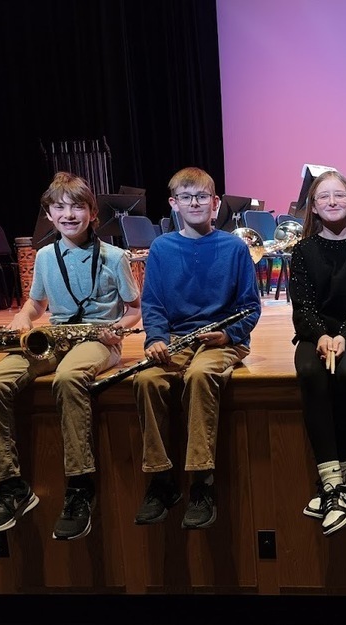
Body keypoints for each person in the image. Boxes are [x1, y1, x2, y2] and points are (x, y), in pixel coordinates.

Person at [0, 172, 141, 540]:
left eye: (77, 206)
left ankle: (80, 486)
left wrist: (118, 329)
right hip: (53, 336)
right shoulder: (45, 256)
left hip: (100, 338)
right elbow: (36, 303)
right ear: (48, 215)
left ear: (93, 213)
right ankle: (10, 486)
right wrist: (22, 318)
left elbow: (133, 308)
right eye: (59, 207)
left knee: (69, 377)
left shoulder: (115, 257)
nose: (68, 214)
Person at [133, 167, 261, 529]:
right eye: (186, 197)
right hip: (176, 338)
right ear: (174, 203)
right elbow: (153, 303)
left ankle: (202, 482)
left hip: (224, 340)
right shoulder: (161, 248)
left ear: (215, 202)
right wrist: (156, 339)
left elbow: (250, 306)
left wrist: (230, 334)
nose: (195, 203)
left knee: (202, 375)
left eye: (202, 197)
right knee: (146, 381)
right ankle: (161, 480)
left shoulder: (234, 247)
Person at [288, 171, 346, 536]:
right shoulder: (304, 249)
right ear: (313, 205)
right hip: (317, 337)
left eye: (338, 195)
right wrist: (322, 336)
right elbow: (304, 306)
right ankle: (336, 487)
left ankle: (329, 486)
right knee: (312, 372)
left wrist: (343, 335)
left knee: (345, 374)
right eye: (323, 197)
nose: (331, 202)